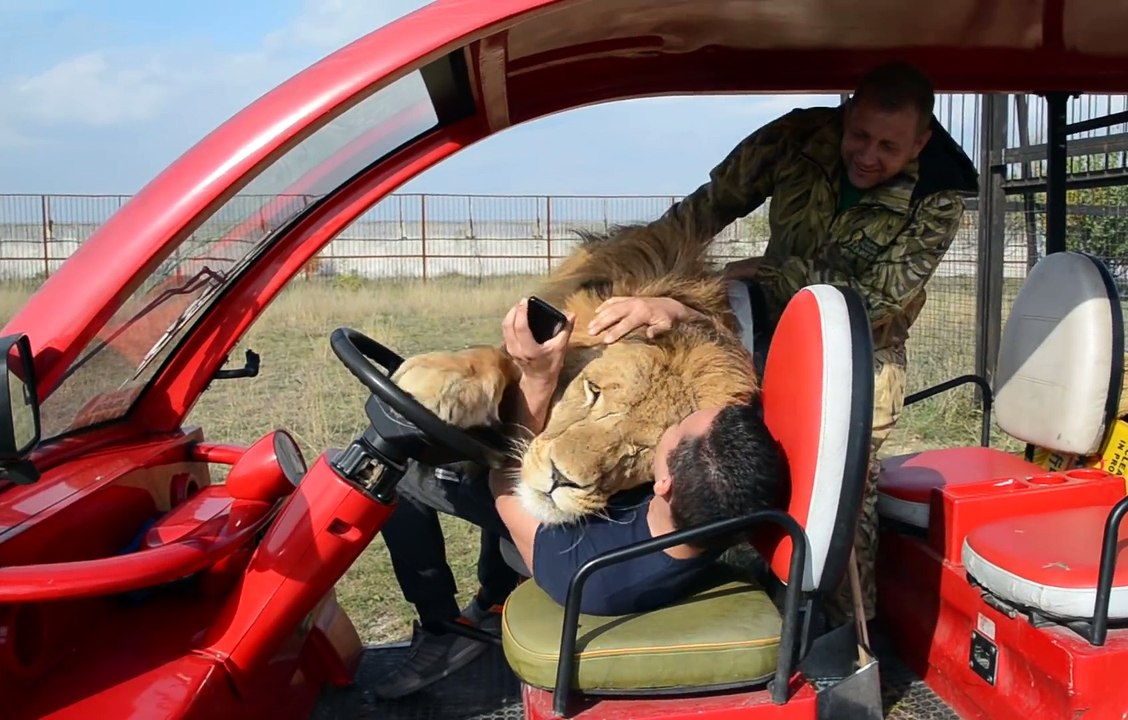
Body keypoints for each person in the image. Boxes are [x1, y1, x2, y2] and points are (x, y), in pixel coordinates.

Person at [626, 60, 980, 624]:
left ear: (920, 142)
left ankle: (847, 637)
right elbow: (711, 202)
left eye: (889, 146)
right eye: (858, 134)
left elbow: (877, 299)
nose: (866, 154)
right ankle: (742, 624)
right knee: (732, 466)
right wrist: (633, 263)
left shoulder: (938, 196)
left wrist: (767, 270)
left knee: (844, 489)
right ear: (845, 113)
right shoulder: (796, 137)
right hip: (765, 332)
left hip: (863, 354)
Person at [374, 297, 783, 699]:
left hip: (556, 519)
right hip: (582, 517)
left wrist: (537, 379)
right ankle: (492, 598)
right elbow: (724, 377)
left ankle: (440, 627)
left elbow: (510, 483)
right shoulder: (725, 483)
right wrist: (676, 311)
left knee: (407, 477)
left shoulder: (586, 571)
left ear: (662, 482)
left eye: (665, 436)